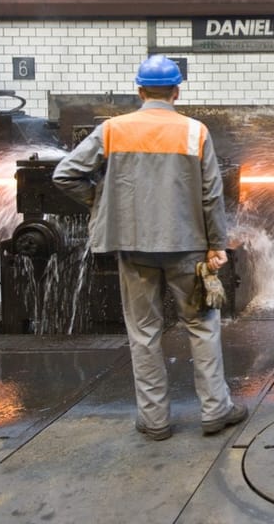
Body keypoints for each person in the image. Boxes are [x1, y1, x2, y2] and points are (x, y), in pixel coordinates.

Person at [52, 55, 247, 440]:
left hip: (134, 244)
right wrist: (216, 246)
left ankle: (154, 420)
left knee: (143, 331)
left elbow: (65, 174)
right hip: (188, 246)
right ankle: (215, 411)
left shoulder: (112, 130)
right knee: (202, 325)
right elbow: (211, 195)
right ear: (177, 92)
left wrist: (102, 203)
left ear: (139, 91)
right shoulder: (195, 132)